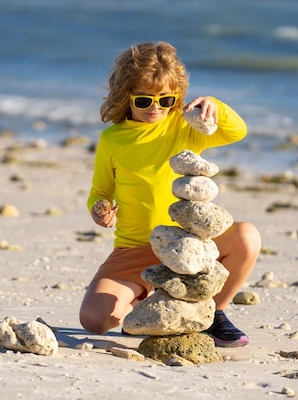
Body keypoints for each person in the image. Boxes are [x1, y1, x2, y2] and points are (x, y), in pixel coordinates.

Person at [79, 41, 261, 348]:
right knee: (95, 321)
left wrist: (215, 105)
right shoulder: (113, 139)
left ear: (176, 97)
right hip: (134, 250)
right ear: (127, 96)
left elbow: (237, 131)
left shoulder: (185, 128)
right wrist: (98, 207)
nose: (155, 107)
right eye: (144, 99)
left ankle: (213, 312)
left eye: (166, 100)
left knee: (247, 237)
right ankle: (147, 300)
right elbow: (100, 189)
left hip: (190, 246)